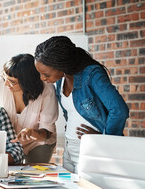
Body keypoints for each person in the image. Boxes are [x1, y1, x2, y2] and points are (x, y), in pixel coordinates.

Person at [34, 36, 129, 173]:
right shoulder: (60, 81)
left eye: (45, 74)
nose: (42, 78)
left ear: (61, 66)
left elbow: (119, 110)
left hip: (91, 150)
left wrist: (105, 138)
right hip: (69, 150)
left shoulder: (91, 75)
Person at [0, 54, 58, 163]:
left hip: (37, 142)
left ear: (26, 82)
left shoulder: (47, 90)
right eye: (5, 78)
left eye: (12, 82)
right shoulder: (2, 84)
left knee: (33, 174)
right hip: (10, 143)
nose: (6, 84)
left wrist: (31, 132)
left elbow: (47, 133)